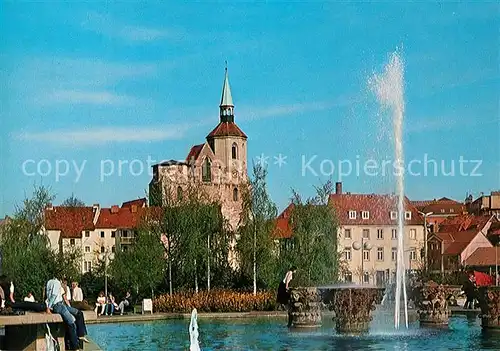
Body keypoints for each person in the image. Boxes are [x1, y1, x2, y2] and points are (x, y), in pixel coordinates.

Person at [45, 276, 89, 350]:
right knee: (71, 323)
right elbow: (54, 295)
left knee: (79, 313)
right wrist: (48, 307)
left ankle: (81, 335)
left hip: (61, 305)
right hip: (58, 305)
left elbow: (52, 296)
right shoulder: (57, 282)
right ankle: (75, 346)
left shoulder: (49, 282)